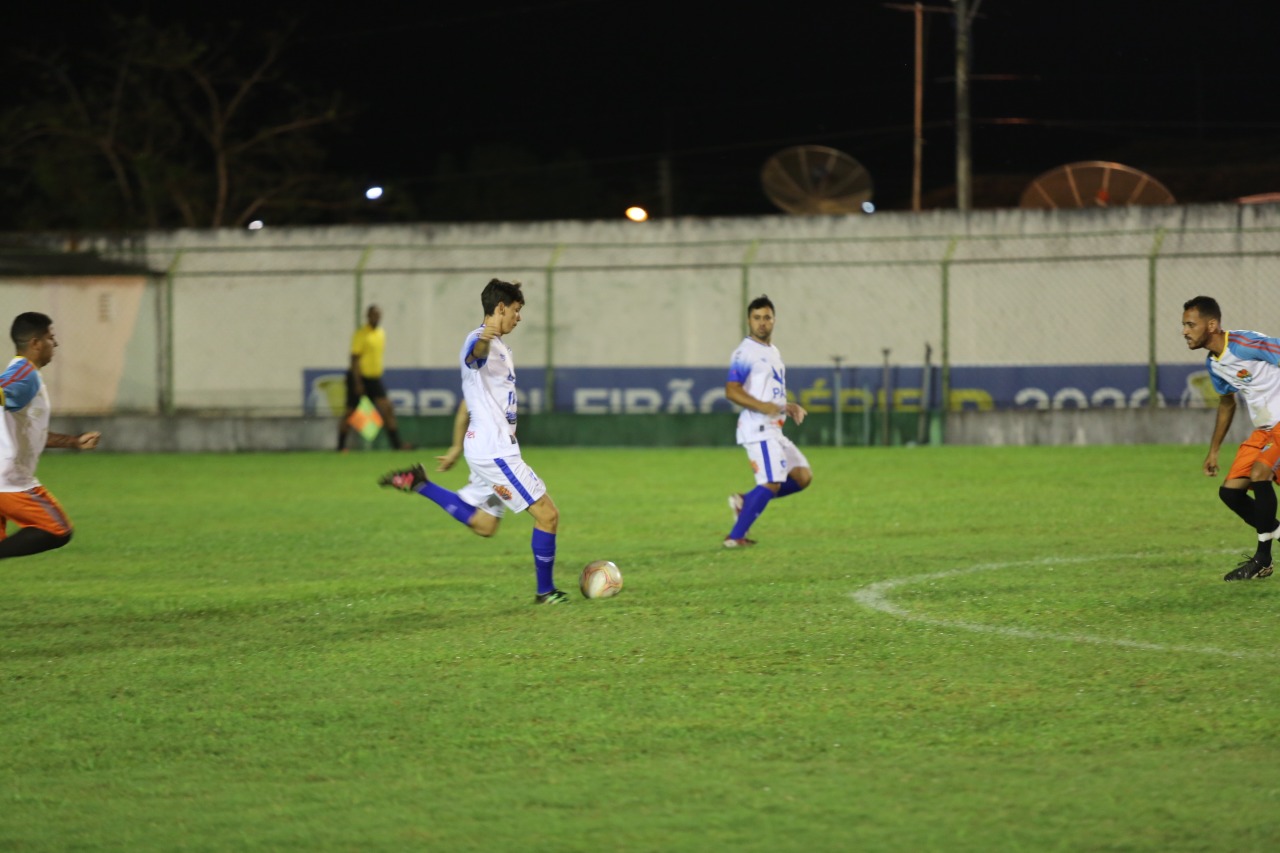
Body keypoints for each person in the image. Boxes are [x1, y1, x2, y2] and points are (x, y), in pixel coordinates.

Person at [378, 279, 568, 604]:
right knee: (548, 515)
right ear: (500, 308)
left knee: (484, 525)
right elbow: (474, 355)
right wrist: (483, 338)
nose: (518, 318)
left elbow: (467, 402)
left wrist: (455, 446)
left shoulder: (501, 349)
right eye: (516, 311)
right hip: (495, 452)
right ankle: (545, 592)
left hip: (485, 448)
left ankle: (421, 483)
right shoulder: (479, 341)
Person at [1182, 295, 1280, 580]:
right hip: (1264, 431)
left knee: (1260, 473)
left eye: (1191, 324)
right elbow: (1227, 403)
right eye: (1184, 325)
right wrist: (1213, 451)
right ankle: (1265, 554)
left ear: (1211, 325)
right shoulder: (1214, 364)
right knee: (1231, 492)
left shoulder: (1245, 344)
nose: (1185, 331)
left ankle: (1263, 558)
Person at [0, 312, 101, 560]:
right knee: (56, 529)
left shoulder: (24, 375)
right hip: (9, 482)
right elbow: (3, 389)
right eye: (50, 337)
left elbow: (30, 433)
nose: (55, 344)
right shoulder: (25, 374)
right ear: (35, 343)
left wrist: (74, 442)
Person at [723, 294, 812, 548]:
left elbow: (769, 392)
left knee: (802, 477)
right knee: (771, 482)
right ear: (749, 321)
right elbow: (732, 390)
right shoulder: (745, 352)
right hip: (758, 428)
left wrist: (788, 406)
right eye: (757, 318)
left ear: (774, 320)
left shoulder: (772, 351)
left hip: (775, 429)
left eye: (767, 318)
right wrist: (763, 407)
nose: (762, 323)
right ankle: (735, 537)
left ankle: (746, 501)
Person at [338, 304, 406, 451]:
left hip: (374, 378)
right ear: (368, 316)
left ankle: (397, 445)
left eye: (378, 315)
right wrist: (357, 382)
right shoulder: (361, 334)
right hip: (359, 378)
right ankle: (340, 447)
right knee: (350, 412)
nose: (376, 317)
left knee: (387, 408)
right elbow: (354, 359)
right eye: (374, 315)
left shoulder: (381, 333)